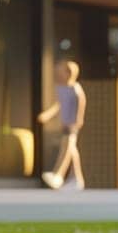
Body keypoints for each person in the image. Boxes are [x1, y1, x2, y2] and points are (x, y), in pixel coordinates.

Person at [37, 60, 86, 189]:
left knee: (66, 148)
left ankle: (58, 175)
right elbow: (58, 105)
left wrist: (77, 122)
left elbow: (80, 106)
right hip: (64, 124)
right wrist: (47, 115)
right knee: (72, 150)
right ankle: (77, 179)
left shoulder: (76, 89)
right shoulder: (62, 89)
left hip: (72, 125)